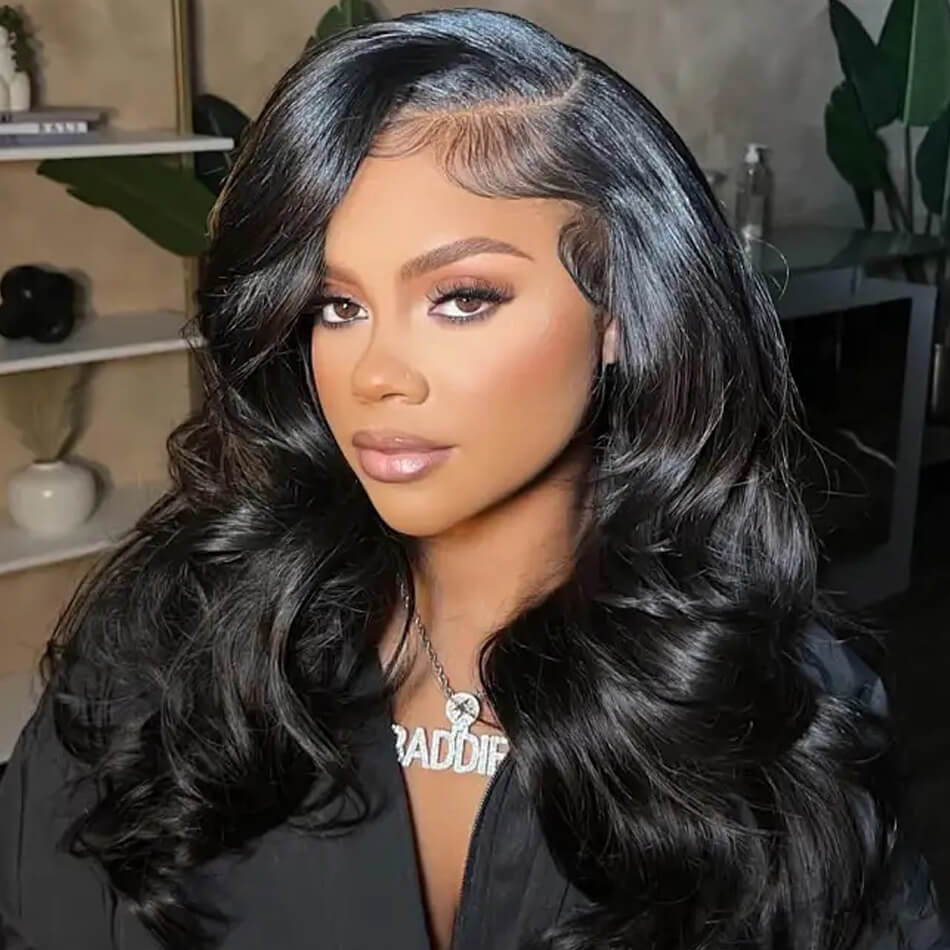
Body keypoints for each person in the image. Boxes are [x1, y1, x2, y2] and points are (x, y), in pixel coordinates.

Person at [0, 7, 945, 950]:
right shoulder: (173, 641)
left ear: (619, 313)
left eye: (461, 298)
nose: (376, 374)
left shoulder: (769, 705)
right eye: (335, 305)